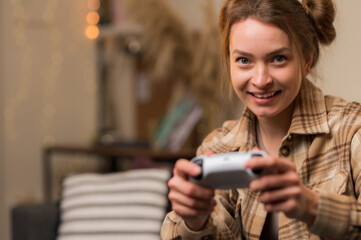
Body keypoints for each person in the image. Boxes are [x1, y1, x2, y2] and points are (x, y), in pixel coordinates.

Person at [161, 0, 361, 239]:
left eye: (278, 59)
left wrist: (311, 206)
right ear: (229, 63)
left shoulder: (351, 130)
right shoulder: (217, 147)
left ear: (307, 60)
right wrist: (194, 222)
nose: (260, 79)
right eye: (244, 61)